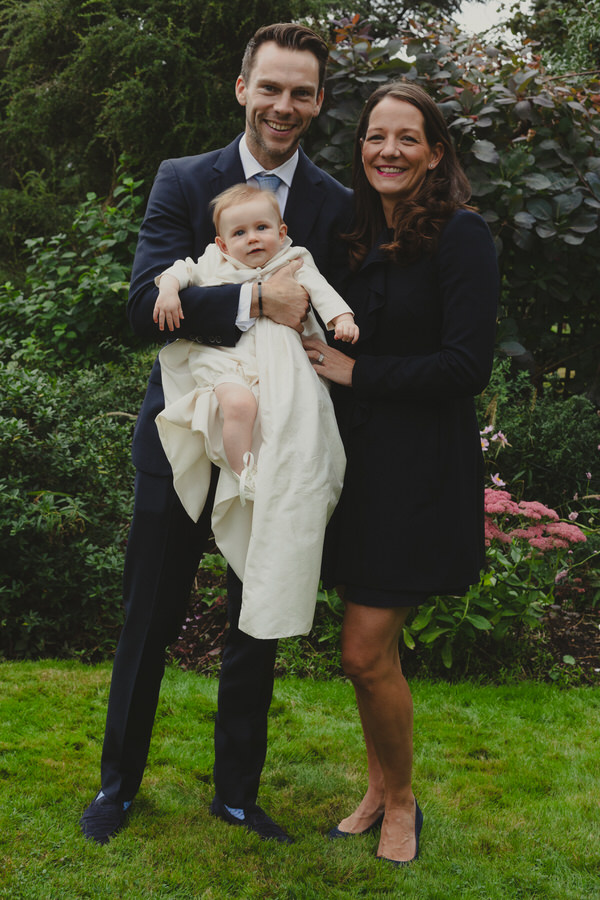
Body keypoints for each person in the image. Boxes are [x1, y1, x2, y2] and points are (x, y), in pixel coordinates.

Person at [80, 22, 352, 846]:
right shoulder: (182, 178)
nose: (284, 105)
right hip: (181, 442)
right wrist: (250, 304)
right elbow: (141, 308)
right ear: (242, 88)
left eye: (301, 91)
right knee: (148, 621)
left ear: (317, 101)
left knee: (255, 621)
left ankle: (236, 794)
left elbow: (338, 316)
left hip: (277, 449)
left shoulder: (335, 203)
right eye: (270, 87)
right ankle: (118, 786)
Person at [303, 82, 498, 866]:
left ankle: (404, 802)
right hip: (355, 470)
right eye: (376, 136)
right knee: (369, 658)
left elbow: (465, 367)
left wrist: (358, 375)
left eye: (407, 138)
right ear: (361, 148)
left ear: (436, 152)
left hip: (419, 474)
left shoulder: (462, 236)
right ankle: (379, 787)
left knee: (360, 651)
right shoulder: (352, 239)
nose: (388, 150)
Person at [152, 184, 358, 639]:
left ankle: (266, 478)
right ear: (224, 243)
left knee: (295, 432)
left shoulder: (293, 260)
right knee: (240, 404)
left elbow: (321, 292)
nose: (253, 239)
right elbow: (178, 271)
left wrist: (341, 318)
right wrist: (168, 290)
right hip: (225, 361)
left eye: (262, 228)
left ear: (281, 231)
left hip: (278, 365)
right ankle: (243, 470)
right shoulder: (214, 262)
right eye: (240, 233)